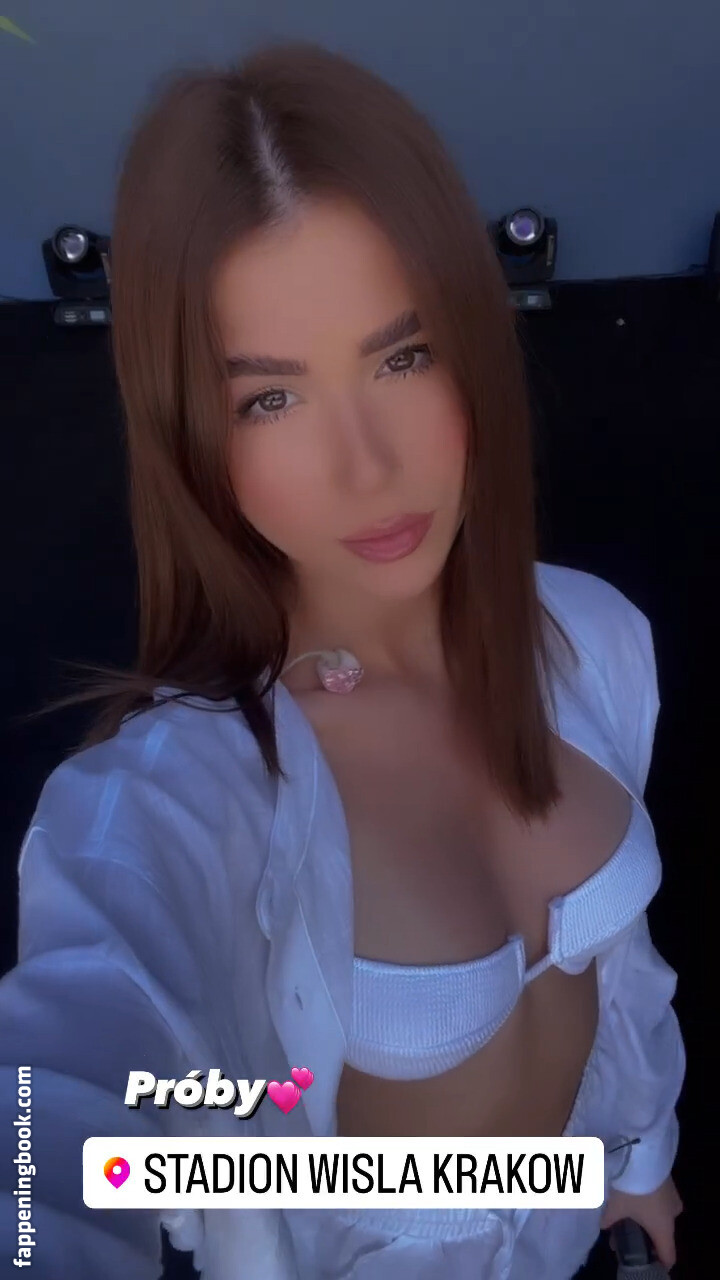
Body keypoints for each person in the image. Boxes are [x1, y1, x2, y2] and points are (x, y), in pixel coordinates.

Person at [0, 39, 685, 1280]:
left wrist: (634, 1152)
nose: (367, 465)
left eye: (403, 355)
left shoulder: (594, 637)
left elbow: (621, 967)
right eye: (271, 397)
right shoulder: (177, 794)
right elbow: (54, 1135)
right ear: (192, 434)